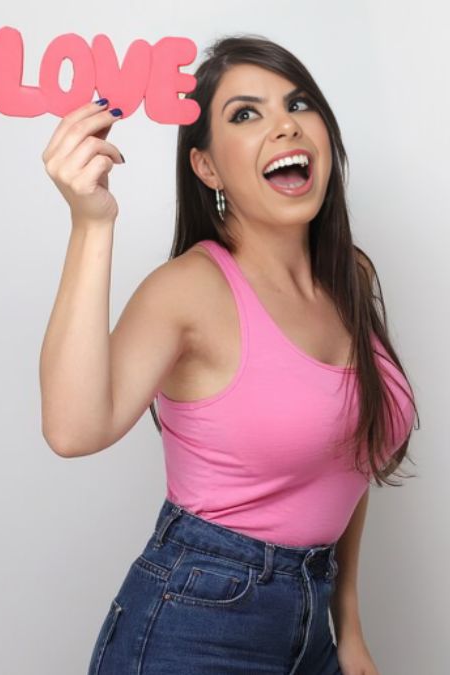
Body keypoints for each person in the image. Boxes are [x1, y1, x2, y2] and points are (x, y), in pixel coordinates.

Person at [38, 34, 418, 675]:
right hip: (196, 622)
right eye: (246, 114)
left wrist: (348, 627)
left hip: (313, 628)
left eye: (297, 104)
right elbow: (74, 430)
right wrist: (91, 223)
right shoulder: (190, 290)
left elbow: (347, 456)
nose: (284, 127)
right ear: (207, 168)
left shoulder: (349, 277)